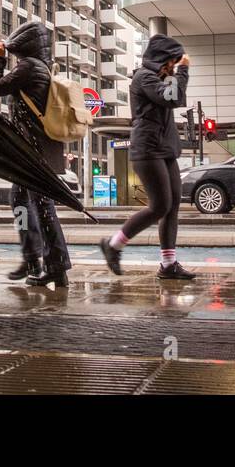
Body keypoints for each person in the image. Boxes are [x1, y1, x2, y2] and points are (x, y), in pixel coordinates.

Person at [99, 34, 196, 281]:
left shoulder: (161, 78)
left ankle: (168, 264)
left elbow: (173, 96)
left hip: (165, 149)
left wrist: (177, 73)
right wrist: (183, 71)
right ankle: (113, 245)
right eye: (172, 61)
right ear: (164, 59)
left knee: (173, 206)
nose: (175, 65)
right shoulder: (144, 77)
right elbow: (172, 98)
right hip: (147, 148)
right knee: (160, 205)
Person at [0, 21, 72, 288]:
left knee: (41, 207)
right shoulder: (41, 67)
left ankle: (53, 265)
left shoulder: (28, 67)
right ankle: (34, 257)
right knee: (22, 201)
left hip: (33, 150)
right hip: (39, 148)